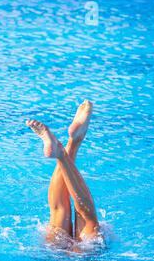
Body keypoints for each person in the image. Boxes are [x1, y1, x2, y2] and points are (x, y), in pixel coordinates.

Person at [26, 100, 103, 247]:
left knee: (87, 218)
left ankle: (68, 147)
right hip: (61, 260)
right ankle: (68, 146)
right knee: (58, 211)